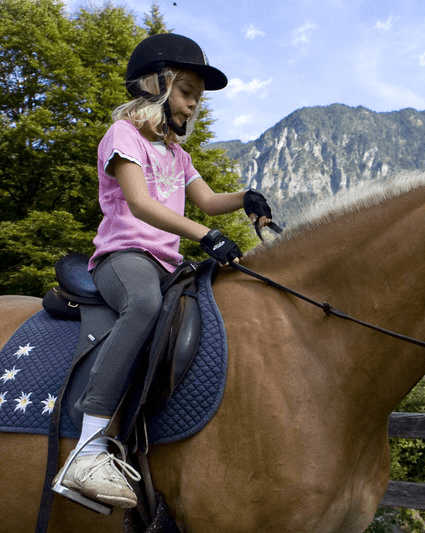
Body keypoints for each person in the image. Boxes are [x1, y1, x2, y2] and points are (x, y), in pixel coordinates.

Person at [53, 33, 272, 509]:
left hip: (166, 263)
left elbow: (210, 201)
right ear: (156, 83)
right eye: (188, 91)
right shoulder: (124, 137)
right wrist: (205, 235)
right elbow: (140, 202)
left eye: (197, 97)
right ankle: (87, 450)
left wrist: (246, 198)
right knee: (145, 304)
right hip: (122, 258)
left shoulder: (178, 154)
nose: (194, 105)